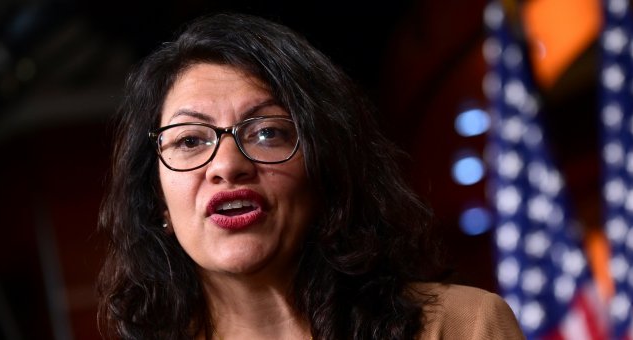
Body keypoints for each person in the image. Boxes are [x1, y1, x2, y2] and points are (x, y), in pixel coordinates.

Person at [97, 13, 524, 340]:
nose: (227, 166)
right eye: (189, 141)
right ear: (156, 199)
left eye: (268, 132)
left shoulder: (464, 325)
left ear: (326, 166)